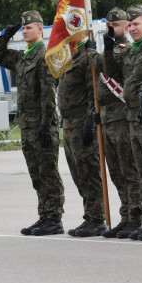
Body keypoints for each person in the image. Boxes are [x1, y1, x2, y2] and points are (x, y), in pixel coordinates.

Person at [0, 11, 64, 235]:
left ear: (40, 29)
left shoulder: (45, 55)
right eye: (22, 28)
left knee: (48, 171)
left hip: (42, 123)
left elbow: (48, 93)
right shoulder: (24, 56)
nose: (24, 31)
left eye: (29, 28)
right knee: (36, 172)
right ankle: (44, 215)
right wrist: (4, 37)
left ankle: (54, 218)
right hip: (27, 124)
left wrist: (46, 124)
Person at [105, 4, 142, 240]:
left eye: (136, 24)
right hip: (132, 118)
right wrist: (108, 50)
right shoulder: (131, 51)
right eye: (129, 25)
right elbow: (110, 72)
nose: (132, 29)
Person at [88, 8, 142, 239]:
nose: (111, 29)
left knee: (129, 170)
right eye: (108, 25)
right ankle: (126, 215)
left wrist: (92, 52)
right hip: (108, 118)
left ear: (126, 27)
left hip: (122, 118)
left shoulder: (124, 49)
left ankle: (135, 217)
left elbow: (106, 67)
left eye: (116, 25)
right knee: (116, 172)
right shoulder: (109, 49)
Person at [58, 33, 105, 237]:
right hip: (68, 124)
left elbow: (92, 93)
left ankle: (97, 218)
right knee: (78, 174)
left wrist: (88, 124)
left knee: (89, 172)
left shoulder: (87, 56)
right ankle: (90, 215)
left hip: (81, 123)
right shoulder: (67, 56)